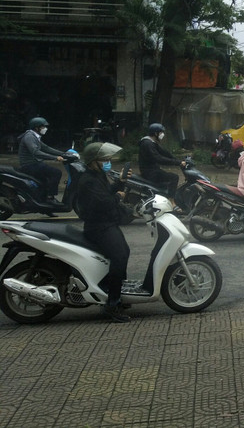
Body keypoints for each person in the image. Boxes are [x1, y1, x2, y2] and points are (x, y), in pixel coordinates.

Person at [77, 141, 132, 323]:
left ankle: (111, 291)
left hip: (107, 223)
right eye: (104, 159)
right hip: (99, 227)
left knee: (124, 252)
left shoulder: (97, 175)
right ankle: (112, 303)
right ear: (94, 161)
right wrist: (118, 196)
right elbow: (103, 202)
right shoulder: (88, 180)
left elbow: (105, 192)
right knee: (119, 256)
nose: (108, 161)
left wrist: (120, 182)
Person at [17, 117, 68, 203]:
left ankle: (44, 203)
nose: (45, 129)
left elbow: (46, 148)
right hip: (29, 165)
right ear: (36, 128)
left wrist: (64, 154)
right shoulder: (29, 137)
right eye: (43, 127)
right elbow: (36, 152)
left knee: (45, 181)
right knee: (56, 172)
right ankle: (50, 197)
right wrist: (55, 158)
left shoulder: (35, 136)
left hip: (35, 164)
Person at [138, 123, 185, 197]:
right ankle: (172, 201)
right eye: (161, 132)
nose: (162, 134)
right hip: (149, 172)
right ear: (156, 133)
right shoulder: (147, 144)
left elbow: (164, 152)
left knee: (167, 182)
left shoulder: (152, 142)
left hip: (153, 170)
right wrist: (177, 162)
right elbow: (158, 158)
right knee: (174, 177)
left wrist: (178, 160)